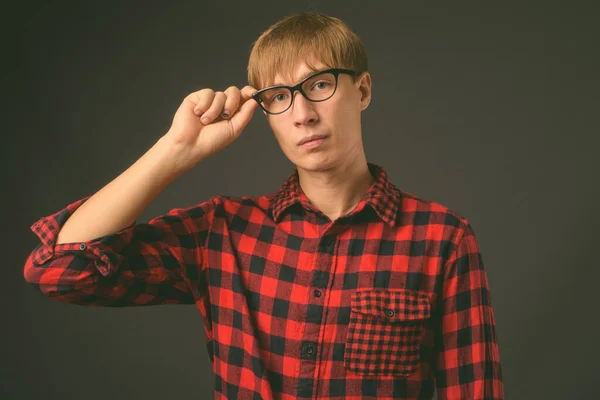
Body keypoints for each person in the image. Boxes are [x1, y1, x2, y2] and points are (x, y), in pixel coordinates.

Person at [23, 12, 504, 400]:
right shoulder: (224, 231)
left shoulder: (443, 239)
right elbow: (62, 271)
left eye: (319, 85)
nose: (302, 114)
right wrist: (175, 151)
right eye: (279, 96)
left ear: (362, 90)